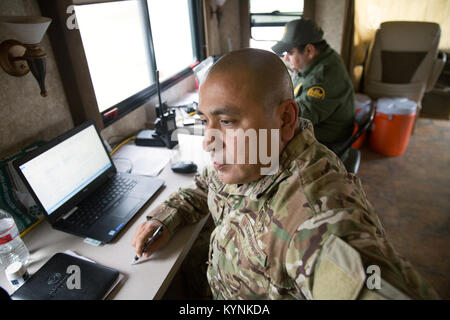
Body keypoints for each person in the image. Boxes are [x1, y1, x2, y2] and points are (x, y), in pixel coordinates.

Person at [131, 48, 438, 300]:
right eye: (206, 121)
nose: (208, 142)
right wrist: (167, 215)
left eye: (226, 121)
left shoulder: (315, 220)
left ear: (285, 118)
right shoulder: (251, 155)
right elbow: (205, 185)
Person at [272, 18, 355, 151]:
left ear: (309, 50)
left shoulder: (324, 77)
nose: (286, 58)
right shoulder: (315, 61)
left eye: (290, 52)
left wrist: (265, 111)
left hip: (328, 142)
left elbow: (298, 115)